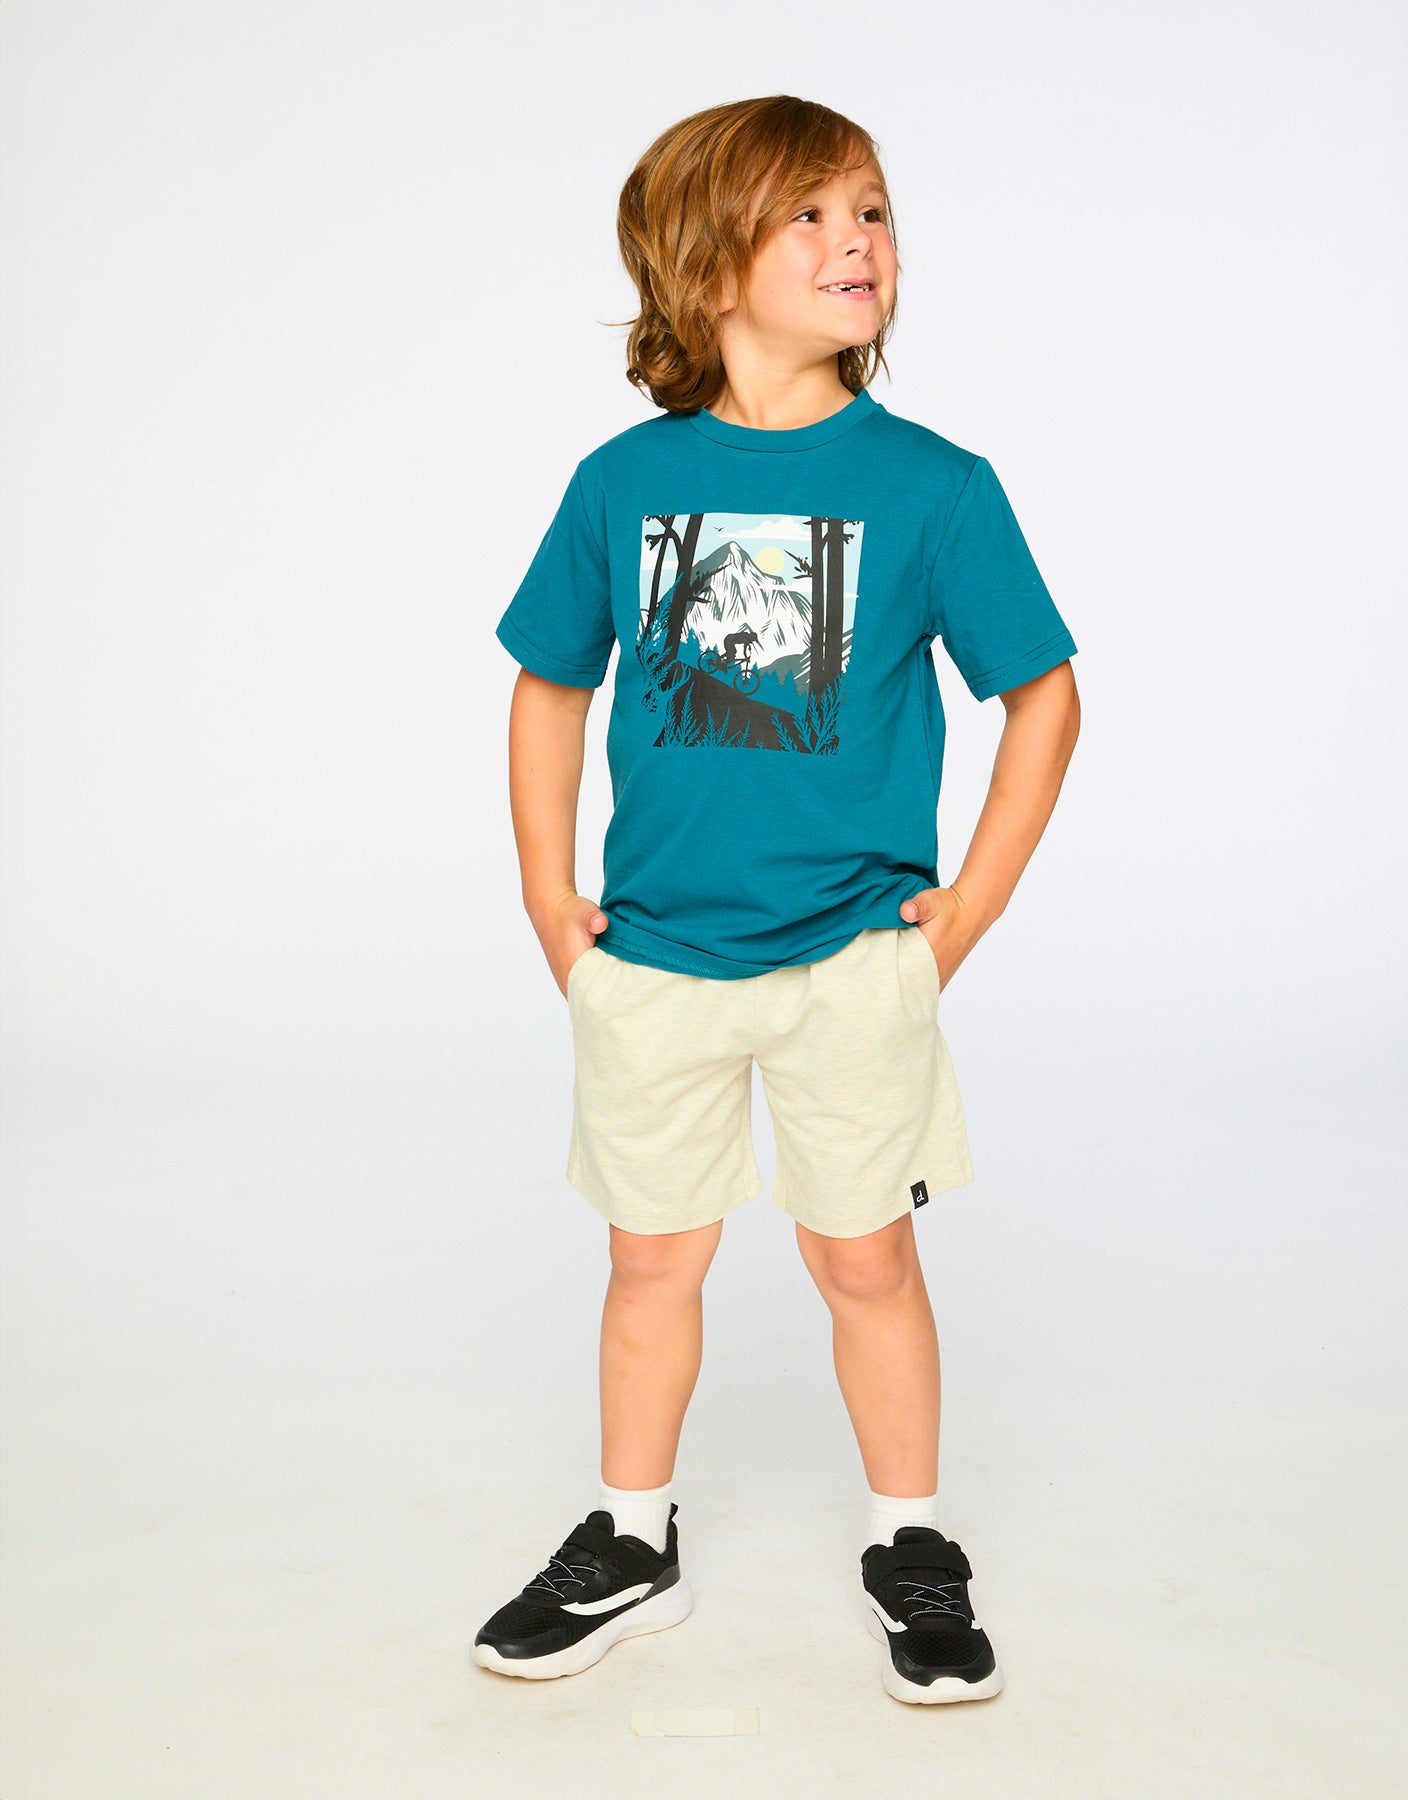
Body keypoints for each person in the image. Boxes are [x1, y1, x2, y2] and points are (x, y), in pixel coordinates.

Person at [472, 94, 1081, 1706]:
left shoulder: (935, 487)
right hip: (655, 956)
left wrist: (967, 911)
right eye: (809, 213)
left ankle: (910, 1539)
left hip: (854, 957)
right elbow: (548, 683)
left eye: (871, 209)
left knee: (863, 1259)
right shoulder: (622, 484)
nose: (856, 240)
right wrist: (546, 891)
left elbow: (1045, 694)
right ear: (705, 262)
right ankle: (631, 1538)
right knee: (650, 1260)